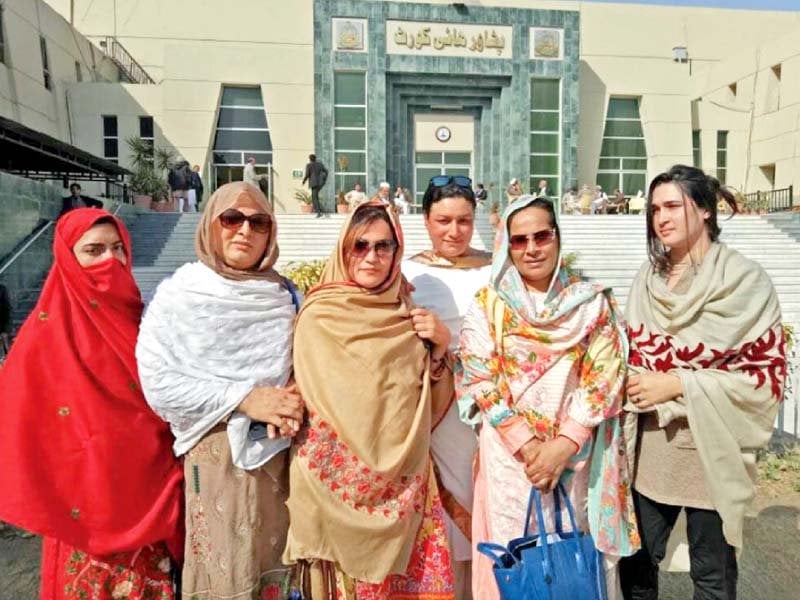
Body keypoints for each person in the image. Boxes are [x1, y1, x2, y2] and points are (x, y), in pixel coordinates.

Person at [458, 195, 640, 600]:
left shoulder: (591, 304)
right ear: (507, 245)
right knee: (516, 564)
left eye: (541, 235)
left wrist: (563, 445)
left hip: (573, 458)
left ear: (557, 237)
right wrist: (528, 445)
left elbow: (604, 376)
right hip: (511, 461)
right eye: (520, 240)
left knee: (570, 557)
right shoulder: (488, 307)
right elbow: (480, 379)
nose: (532, 248)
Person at [619, 165, 787, 600]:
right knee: (635, 565)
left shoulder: (744, 282)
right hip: (650, 450)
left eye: (673, 205)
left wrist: (676, 385)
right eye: (655, 209)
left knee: (712, 575)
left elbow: (762, 378)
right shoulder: (647, 279)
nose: (661, 218)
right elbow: (629, 355)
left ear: (706, 211)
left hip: (711, 451)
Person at [0, 208, 184, 598]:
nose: (110, 261)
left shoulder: (150, 323)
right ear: (68, 258)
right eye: (93, 250)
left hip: (151, 508)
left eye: (118, 248)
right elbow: (21, 431)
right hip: (81, 519)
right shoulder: (42, 338)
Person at [137, 181, 304, 599]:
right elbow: (158, 383)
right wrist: (246, 399)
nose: (244, 231)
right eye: (231, 219)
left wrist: (294, 394)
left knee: (279, 569)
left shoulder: (283, 295)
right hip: (214, 459)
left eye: (258, 222)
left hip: (281, 458)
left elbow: (306, 362)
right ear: (211, 226)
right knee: (224, 572)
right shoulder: (181, 296)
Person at [283, 200, 456, 599]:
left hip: (404, 487)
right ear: (344, 248)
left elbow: (428, 400)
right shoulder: (318, 314)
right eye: (360, 246)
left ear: (397, 252)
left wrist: (439, 349)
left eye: (384, 246)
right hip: (334, 490)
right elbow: (310, 395)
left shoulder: (410, 316)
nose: (371, 257)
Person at [402, 176, 492, 600]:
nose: (453, 231)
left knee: (490, 504)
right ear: (425, 220)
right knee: (442, 511)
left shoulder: (499, 267)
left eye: (463, 221)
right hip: (435, 411)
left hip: (491, 409)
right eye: (443, 221)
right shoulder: (406, 270)